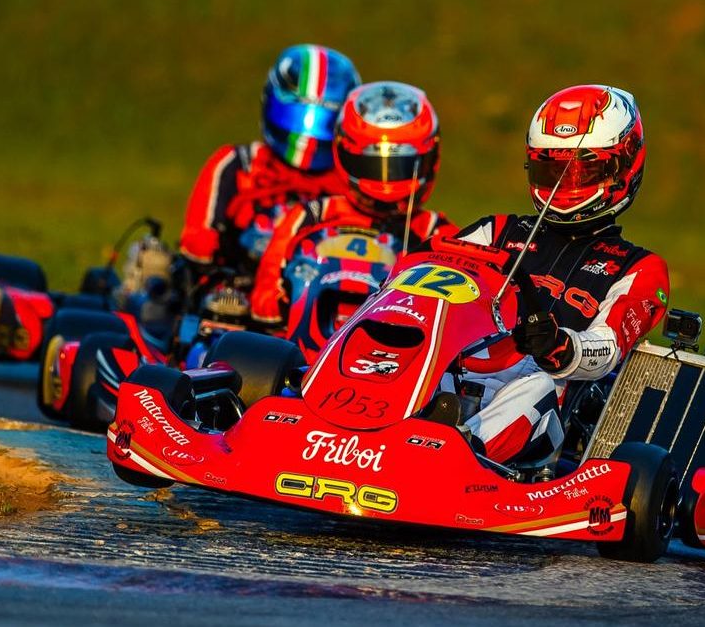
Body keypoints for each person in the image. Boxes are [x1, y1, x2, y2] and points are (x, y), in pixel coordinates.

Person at [445, 84, 670, 466]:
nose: (565, 188)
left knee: (536, 385)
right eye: (553, 171)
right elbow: (422, 280)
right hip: (460, 380)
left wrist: (559, 345)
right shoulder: (496, 232)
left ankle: (462, 455)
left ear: (623, 167)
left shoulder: (638, 269)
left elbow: (607, 347)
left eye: (584, 171)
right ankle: (398, 430)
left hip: (544, 406)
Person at [250, 81, 457, 329]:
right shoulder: (312, 216)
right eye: (372, 164)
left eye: (399, 166)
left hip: (395, 356)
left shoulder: (437, 233)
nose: (386, 179)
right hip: (304, 359)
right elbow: (265, 306)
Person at [178, 44, 361, 280]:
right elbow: (198, 244)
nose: (308, 140)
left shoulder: (351, 186)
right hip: (238, 295)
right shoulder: (240, 164)